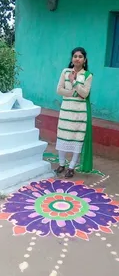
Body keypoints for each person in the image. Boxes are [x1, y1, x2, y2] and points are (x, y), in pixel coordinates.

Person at [55, 47, 93, 178]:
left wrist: (74, 82)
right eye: (75, 56)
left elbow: (85, 93)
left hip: (79, 113)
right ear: (72, 59)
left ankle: (71, 167)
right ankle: (61, 164)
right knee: (62, 136)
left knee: (77, 138)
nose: (77, 58)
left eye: (80, 56)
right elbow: (59, 90)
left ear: (84, 60)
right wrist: (73, 93)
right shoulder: (65, 72)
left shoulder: (88, 75)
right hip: (66, 111)